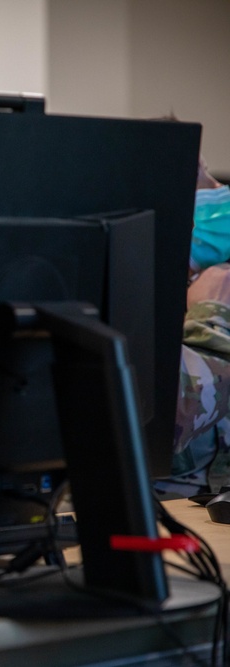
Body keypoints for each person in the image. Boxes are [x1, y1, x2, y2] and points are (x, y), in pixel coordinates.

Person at [161, 157, 230, 497]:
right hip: (160, 517)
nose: (223, 192)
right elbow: (164, 421)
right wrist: (213, 316)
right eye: (207, 185)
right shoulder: (122, 304)